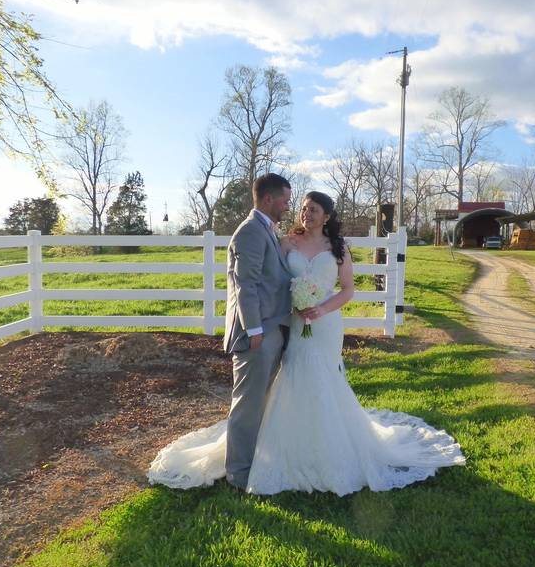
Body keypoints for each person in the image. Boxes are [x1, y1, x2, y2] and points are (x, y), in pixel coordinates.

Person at [148, 188, 464, 495]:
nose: (305, 212)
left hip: (325, 325)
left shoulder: (338, 247)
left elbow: (348, 289)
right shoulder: (287, 242)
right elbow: (268, 279)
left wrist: (322, 308)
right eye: (302, 207)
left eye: (313, 209)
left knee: (325, 380)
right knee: (294, 377)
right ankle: (285, 448)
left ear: (326, 216)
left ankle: (328, 450)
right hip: (296, 324)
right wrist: (295, 306)